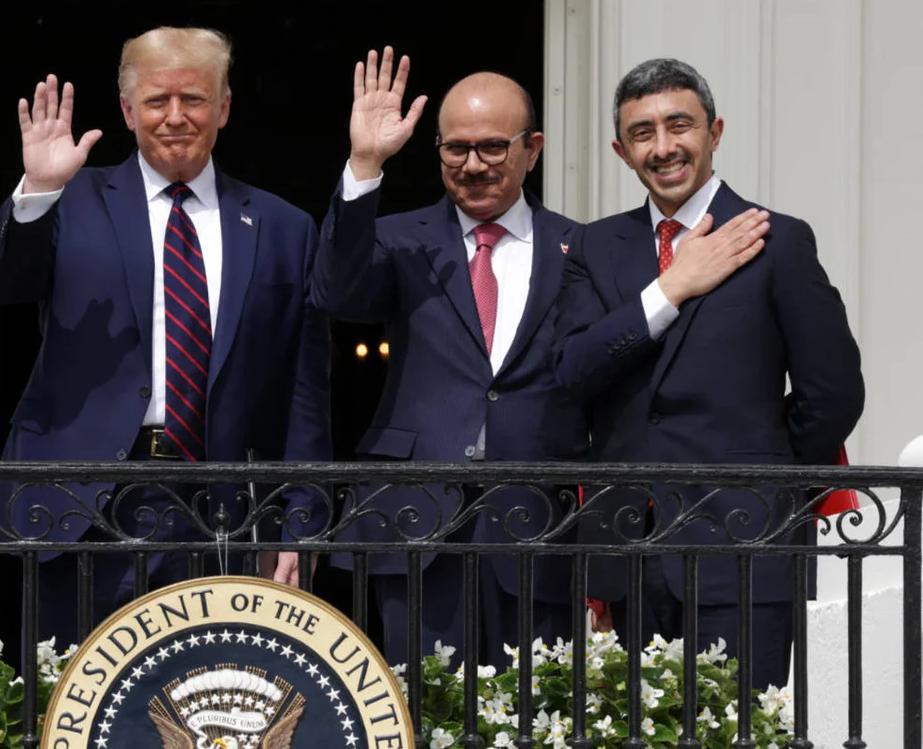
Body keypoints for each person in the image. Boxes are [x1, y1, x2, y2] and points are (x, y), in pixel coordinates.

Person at [0, 26, 331, 647]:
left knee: (216, 715)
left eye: (193, 99)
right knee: (75, 714)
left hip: (225, 512)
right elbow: (3, 284)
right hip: (84, 508)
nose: (174, 117)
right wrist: (36, 192)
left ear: (223, 108)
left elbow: (302, 389)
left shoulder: (282, 226)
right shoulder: (68, 196)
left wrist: (301, 521)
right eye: (156, 101)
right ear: (126, 110)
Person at [552, 58, 865, 688]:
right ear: (621, 150)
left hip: (746, 544)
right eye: (643, 133)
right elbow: (573, 369)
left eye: (679, 125)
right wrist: (670, 288)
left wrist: (763, 481)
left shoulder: (776, 241)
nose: (663, 147)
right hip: (628, 552)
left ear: (714, 132)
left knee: (747, 729)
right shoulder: (594, 246)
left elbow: (832, 393)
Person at [313, 48, 587, 667]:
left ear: (533, 148)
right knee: (424, 707)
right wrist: (365, 162)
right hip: (416, 516)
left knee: (533, 716)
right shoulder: (399, 238)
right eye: (455, 148)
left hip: (538, 523)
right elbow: (334, 291)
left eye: (493, 147)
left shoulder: (582, 248)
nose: (473, 165)